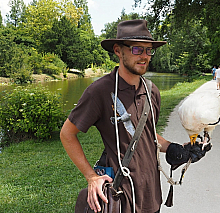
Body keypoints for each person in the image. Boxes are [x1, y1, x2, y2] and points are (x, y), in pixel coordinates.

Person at [60, 19, 210, 213]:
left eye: (149, 50)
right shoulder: (100, 92)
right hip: (121, 198)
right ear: (118, 50)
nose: (144, 56)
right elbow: (67, 134)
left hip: (152, 197)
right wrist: (91, 177)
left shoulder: (151, 91)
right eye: (137, 49)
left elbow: (147, 136)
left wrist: (175, 149)